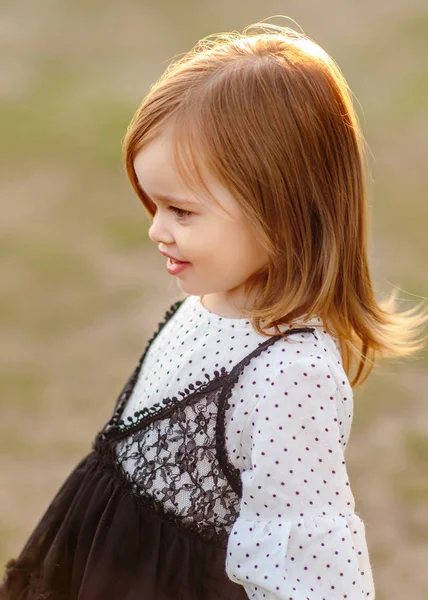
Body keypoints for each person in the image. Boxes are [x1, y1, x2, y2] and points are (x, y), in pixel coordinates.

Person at [2, 20, 427, 600]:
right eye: (152, 203)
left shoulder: (291, 375)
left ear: (280, 211)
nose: (156, 229)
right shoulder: (211, 301)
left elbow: (314, 568)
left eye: (181, 211)